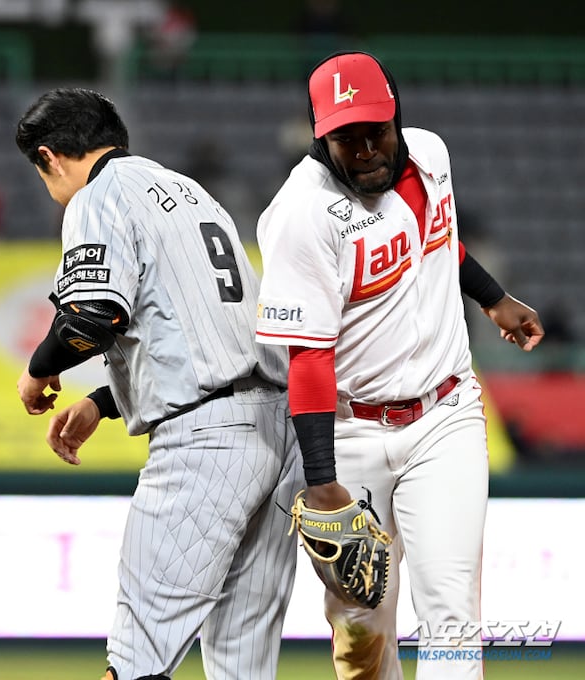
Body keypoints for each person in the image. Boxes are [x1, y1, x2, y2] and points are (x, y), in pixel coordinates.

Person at [255, 52, 545, 680]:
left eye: (376, 131)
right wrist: (322, 480)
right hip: (351, 430)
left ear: (397, 118)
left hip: (445, 414)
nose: (365, 150)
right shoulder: (301, 214)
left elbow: (436, 237)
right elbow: (308, 357)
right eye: (346, 137)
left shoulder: (431, 154)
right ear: (320, 137)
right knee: (361, 629)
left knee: (451, 610)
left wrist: (493, 297)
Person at [14, 87, 303, 680]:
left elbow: (93, 316)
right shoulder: (190, 193)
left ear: (48, 157)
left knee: (138, 659)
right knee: (244, 664)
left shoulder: (97, 196)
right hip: (280, 429)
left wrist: (39, 371)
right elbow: (200, 331)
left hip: (206, 446)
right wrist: (104, 402)